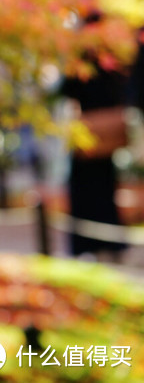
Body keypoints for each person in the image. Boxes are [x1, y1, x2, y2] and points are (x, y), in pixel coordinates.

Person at [59, 13, 131, 262]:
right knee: (103, 190)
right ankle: (107, 245)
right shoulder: (111, 59)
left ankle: (89, 246)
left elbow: (66, 91)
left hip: (89, 133)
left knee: (87, 191)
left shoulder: (83, 59)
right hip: (101, 137)